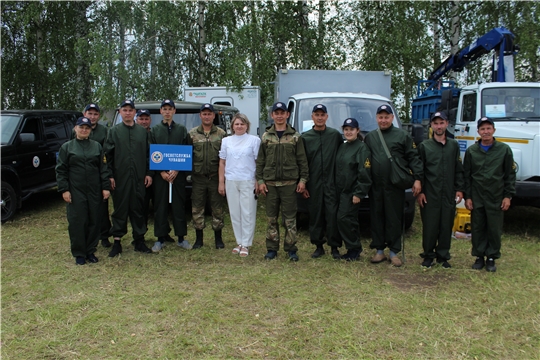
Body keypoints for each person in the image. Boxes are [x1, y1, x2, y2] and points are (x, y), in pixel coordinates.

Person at [364, 104, 423, 267]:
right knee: (377, 217)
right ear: (376, 118)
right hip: (376, 186)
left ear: (392, 118)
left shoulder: (403, 136)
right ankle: (379, 251)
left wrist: (418, 179)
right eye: (380, 117)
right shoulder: (370, 137)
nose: (383, 120)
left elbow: (414, 158)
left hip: (395, 186)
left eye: (386, 117)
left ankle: (394, 252)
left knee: (394, 218)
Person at [255, 102, 309, 261]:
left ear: (287, 115)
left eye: (282, 113)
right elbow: (260, 161)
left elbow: (302, 161)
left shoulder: (295, 137)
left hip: (289, 184)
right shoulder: (266, 137)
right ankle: (272, 249)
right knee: (271, 218)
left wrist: (303, 180)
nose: (279, 116)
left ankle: (291, 249)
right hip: (270, 185)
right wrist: (260, 180)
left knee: (290, 219)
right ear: (272, 115)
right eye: (276, 113)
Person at [56, 116, 110, 265]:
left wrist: (105, 187)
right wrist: (64, 189)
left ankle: (90, 250)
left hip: (94, 190)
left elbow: (103, 169)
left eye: (87, 128)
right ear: (76, 128)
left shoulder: (96, 147)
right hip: (76, 190)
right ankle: (79, 253)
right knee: (77, 221)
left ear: (90, 130)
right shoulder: (67, 147)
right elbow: (61, 170)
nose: (84, 130)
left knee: (94, 220)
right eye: (81, 127)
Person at [464, 117, 516, 272]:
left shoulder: (504, 150)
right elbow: (467, 176)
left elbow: (509, 175)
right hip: (477, 196)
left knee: (494, 228)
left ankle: (491, 257)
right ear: (478, 131)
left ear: (493, 130)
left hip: (496, 196)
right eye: (482, 129)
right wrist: (468, 197)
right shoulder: (472, 151)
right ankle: (479, 256)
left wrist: (508, 196)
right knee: (478, 227)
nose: (485, 132)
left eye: (488, 128)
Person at [103, 99, 153, 257]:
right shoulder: (113, 131)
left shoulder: (141, 132)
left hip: (138, 178)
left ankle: (139, 240)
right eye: (124, 110)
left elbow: (148, 155)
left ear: (134, 112)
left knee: (138, 209)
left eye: (130, 110)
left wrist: (148, 174)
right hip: (120, 178)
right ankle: (117, 242)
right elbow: (107, 156)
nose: (128, 113)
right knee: (120, 209)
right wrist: (109, 176)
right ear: (120, 112)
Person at [417, 111, 464, 269]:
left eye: (441, 123)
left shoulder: (453, 145)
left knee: (446, 225)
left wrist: (459, 189)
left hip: (448, 192)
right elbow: (420, 171)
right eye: (435, 123)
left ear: (447, 124)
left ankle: (443, 255)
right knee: (430, 226)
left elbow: (458, 169)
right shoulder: (425, 146)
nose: (438, 126)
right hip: (430, 193)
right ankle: (428, 255)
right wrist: (421, 192)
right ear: (431, 125)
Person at [301, 104, 343, 259]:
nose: (319, 117)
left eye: (322, 115)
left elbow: (341, 157)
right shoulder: (305, 137)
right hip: (314, 183)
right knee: (315, 215)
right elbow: (302, 162)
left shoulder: (335, 135)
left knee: (332, 215)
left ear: (327, 117)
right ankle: (318, 246)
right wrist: (304, 183)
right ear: (312, 117)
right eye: (316, 114)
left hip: (332, 183)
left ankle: (335, 247)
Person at [150, 100, 191, 252]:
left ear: (174, 111)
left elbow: (187, 151)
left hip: (177, 175)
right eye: (164, 109)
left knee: (178, 206)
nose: (167, 112)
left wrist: (177, 169)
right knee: (160, 206)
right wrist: (161, 172)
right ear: (161, 111)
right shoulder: (155, 130)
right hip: (160, 176)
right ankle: (160, 238)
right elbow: (151, 153)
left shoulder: (181, 130)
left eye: (170, 109)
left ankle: (181, 238)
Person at [218, 113, 261, 257]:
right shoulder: (226, 141)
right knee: (235, 213)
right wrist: (221, 182)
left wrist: (257, 181)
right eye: (236, 124)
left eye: (242, 124)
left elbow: (258, 162)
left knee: (247, 212)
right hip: (231, 180)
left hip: (248, 180)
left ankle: (247, 244)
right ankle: (239, 242)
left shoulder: (254, 140)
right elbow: (222, 162)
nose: (239, 126)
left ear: (247, 126)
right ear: (232, 126)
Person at [74, 103, 112, 248]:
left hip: (99, 172)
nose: (93, 116)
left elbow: (107, 153)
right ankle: (87, 236)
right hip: (83, 174)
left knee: (102, 208)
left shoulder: (104, 130)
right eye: (90, 114)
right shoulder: (78, 130)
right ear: (85, 114)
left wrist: (107, 176)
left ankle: (104, 235)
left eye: (95, 114)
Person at [188, 103, 226, 249]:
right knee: (197, 208)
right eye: (204, 114)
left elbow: (226, 157)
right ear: (200, 116)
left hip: (215, 177)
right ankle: (199, 239)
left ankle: (218, 238)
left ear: (213, 116)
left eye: (209, 114)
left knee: (217, 208)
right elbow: (187, 155)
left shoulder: (221, 134)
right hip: (198, 177)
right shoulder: (192, 134)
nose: (207, 116)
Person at [334, 118, 372, 261]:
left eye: (351, 129)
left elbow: (365, 173)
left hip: (352, 192)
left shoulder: (362, 148)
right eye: (346, 129)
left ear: (358, 130)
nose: (348, 132)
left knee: (345, 219)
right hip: (340, 191)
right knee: (347, 219)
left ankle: (354, 249)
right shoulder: (343, 147)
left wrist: (359, 193)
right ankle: (352, 248)